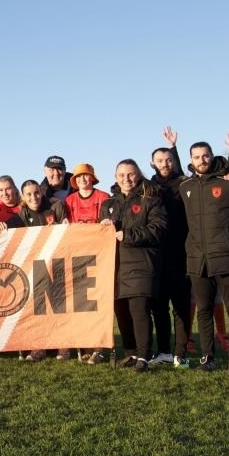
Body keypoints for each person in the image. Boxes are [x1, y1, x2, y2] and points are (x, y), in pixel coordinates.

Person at [180, 141, 229, 373]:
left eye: (205, 156)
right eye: (197, 157)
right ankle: (207, 358)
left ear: (212, 156)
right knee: (204, 310)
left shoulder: (227, 181)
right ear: (191, 159)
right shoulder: (185, 186)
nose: (202, 160)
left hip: (227, 258)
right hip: (198, 260)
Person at [100, 159, 167, 373]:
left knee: (139, 311)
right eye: (121, 175)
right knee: (122, 312)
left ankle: (144, 355)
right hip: (115, 266)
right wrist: (103, 227)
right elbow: (102, 235)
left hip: (141, 263)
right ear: (115, 177)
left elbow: (158, 229)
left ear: (138, 174)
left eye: (130, 174)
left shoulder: (151, 199)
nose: (126, 179)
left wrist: (128, 235)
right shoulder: (109, 204)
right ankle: (130, 352)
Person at [6, 180, 68, 361]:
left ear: (41, 192)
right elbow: (5, 234)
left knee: (59, 306)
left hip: (57, 263)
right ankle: (38, 346)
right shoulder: (22, 215)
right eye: (29, 194)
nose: (34, 197)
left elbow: (68, 230)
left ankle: (62, 345)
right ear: (23, 197)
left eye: (36, 193)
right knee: (37, 308)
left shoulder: (55, 207)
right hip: (34, 267)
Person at [147, 126, 191, 367]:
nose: (165, 164)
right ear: (152, 163)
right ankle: (163, 351)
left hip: (181, 254)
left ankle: (180, 353)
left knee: (181, 308)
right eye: (160, 160)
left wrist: (175, 146)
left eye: (169, 159)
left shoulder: (184, 183)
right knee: (159, 307)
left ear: (174, 161)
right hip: (156, 256)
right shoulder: (148, 188)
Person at [62, 163, 110, 364]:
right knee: (81, 301)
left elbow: (108, 222)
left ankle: (99, 346)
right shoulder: (70, 200)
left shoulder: (103, 197)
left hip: (99, 255)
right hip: (78, 256)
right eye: (79, 176)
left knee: (98, 301)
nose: (83, 179)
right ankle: (85, 342)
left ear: (92, 178)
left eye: (86, 176)